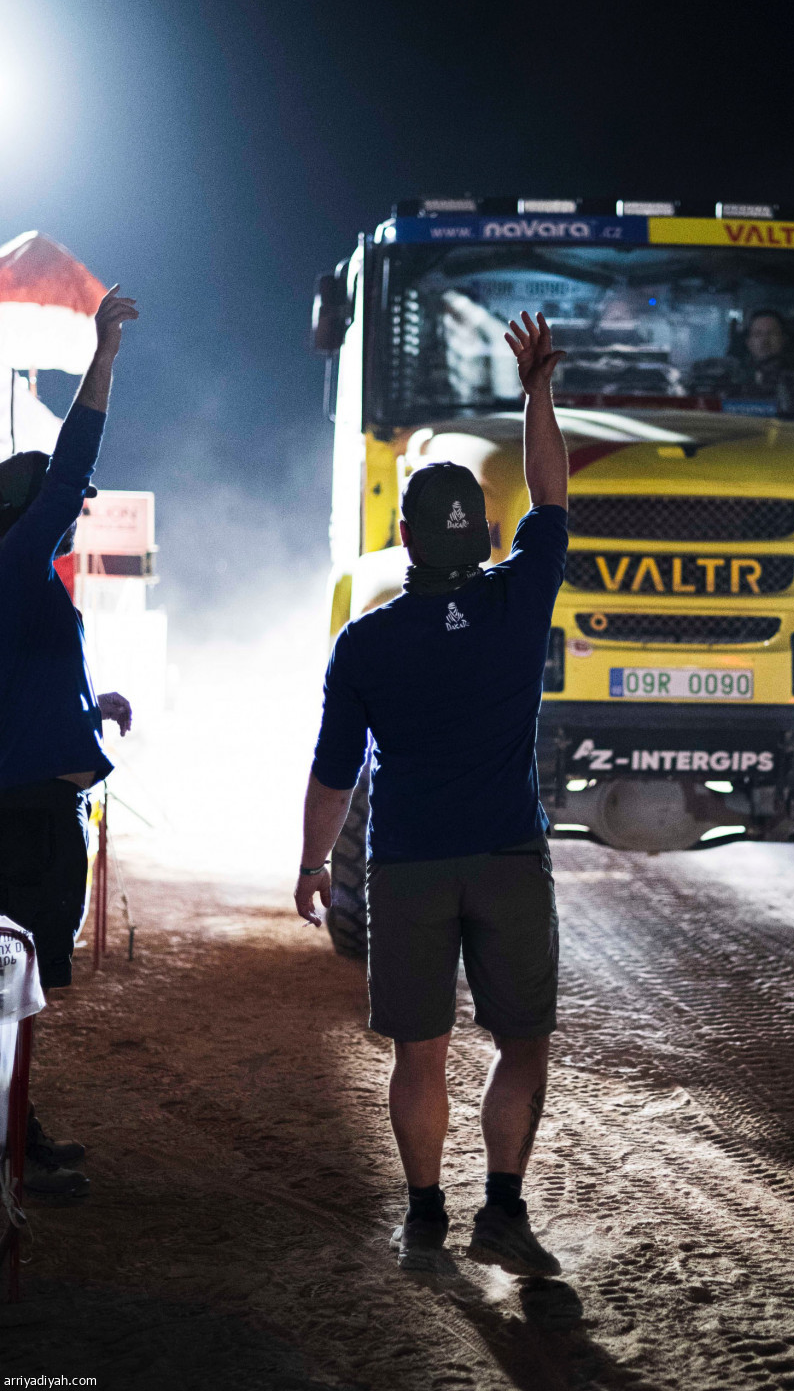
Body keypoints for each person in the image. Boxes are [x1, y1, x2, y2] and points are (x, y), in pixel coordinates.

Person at [295, 310, 569, 1276]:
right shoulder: (518, 597)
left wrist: (312, 863)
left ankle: (423, 1221)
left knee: (420, 1053)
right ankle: (503, 1210)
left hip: (407, 863)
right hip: (506, 855)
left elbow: (335, 774)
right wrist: (536, 388)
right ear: (487, 533)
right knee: (522, 1040)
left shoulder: (364, 643)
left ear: (404, 535)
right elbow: (553, 495)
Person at [0, 285, 140, 1199]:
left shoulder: (22, 581)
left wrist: (97, 712)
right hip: (20, 819)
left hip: (40, 805)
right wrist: (104, 356)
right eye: (62, 506)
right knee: (10, 995)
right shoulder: (13, 561)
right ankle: (9, 1150)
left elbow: (27, 689)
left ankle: (19, 1133)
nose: (76, 512)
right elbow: (69, 465)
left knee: (18, 993)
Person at [731, 307, 794, 414]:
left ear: (784, 339)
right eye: (757, 334)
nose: (764, 341)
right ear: (748, 342)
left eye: (771, 334)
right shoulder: (734, 376)